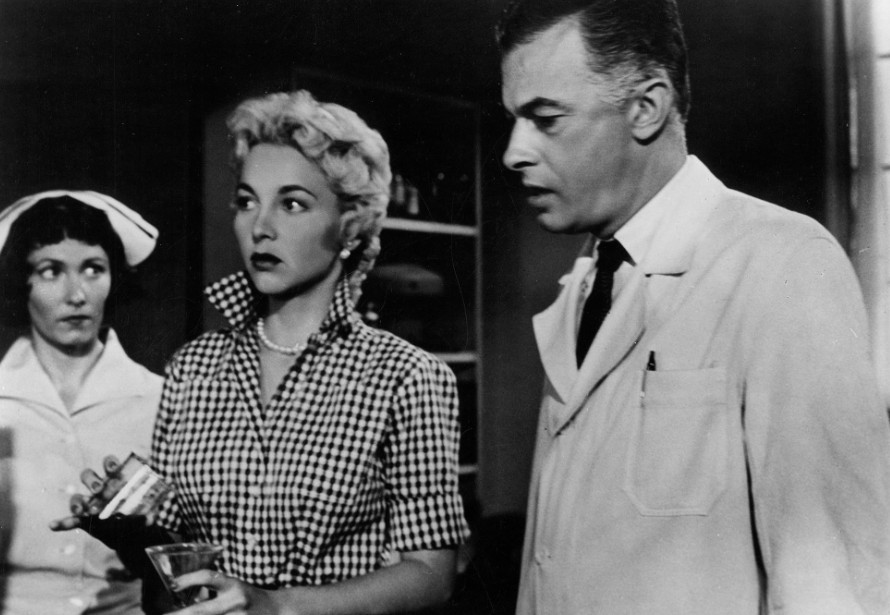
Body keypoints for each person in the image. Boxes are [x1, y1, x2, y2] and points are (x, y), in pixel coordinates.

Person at [496, 0, 890, 613]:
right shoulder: (589, 280)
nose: (514, 152)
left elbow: (833, 582)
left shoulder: (780, 261)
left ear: (646, 107)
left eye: (545, 119)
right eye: (514, 120)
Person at [57, 90, 469, 615]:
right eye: (247, 201)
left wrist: (276, 606)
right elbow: (177, 555)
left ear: (348, 226)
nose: (260, 227)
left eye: (292, 203)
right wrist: (127, 529)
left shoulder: (407, 377)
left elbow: (431, 575)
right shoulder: (194, 366)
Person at [0, 191, 161, 614]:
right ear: (21, 282)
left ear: (114, 278)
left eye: (93, 269)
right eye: (50, 271)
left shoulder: (160, 399)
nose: (77, 294)